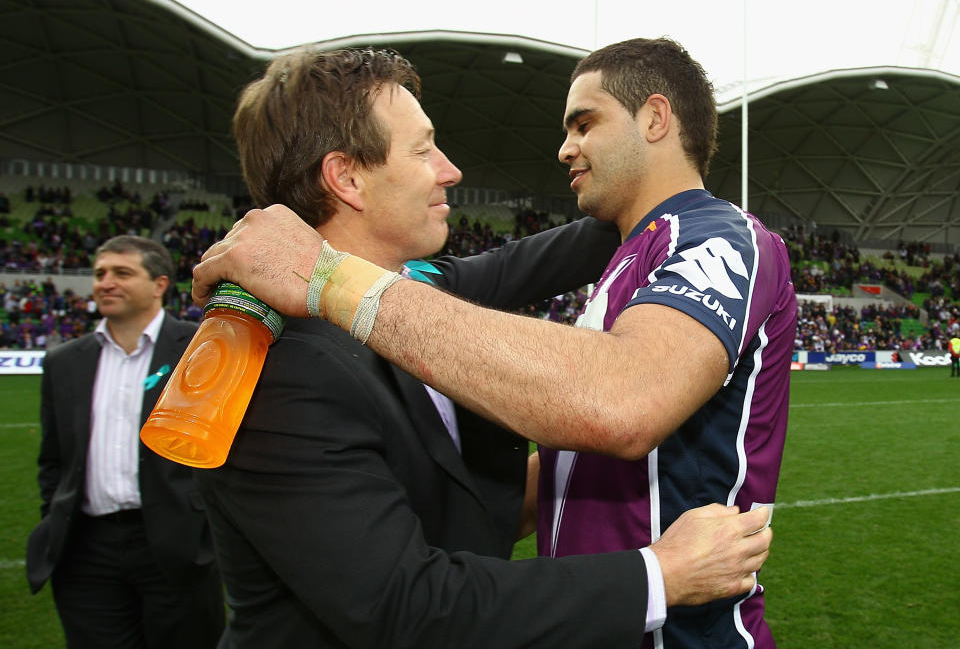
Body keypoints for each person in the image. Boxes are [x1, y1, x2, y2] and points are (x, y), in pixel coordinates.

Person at [193, 38, 795, 648]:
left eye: (585, 123)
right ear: (346, 176)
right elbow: (410, 607)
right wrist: (660, 575)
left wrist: (663, 178)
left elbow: (466, 509)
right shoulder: (272, 363)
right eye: (425, 149)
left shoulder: (420, 294)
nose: (451, 170)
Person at [26, 236, 224, 648]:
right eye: (100, 274)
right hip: (86, 550)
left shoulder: (199, 346)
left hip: (176, 544)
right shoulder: (65, 362)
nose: (106, 283)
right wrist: (55, 516)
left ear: (159, 284)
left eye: (122, 273)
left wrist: (204, 527)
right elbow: (54, 459)